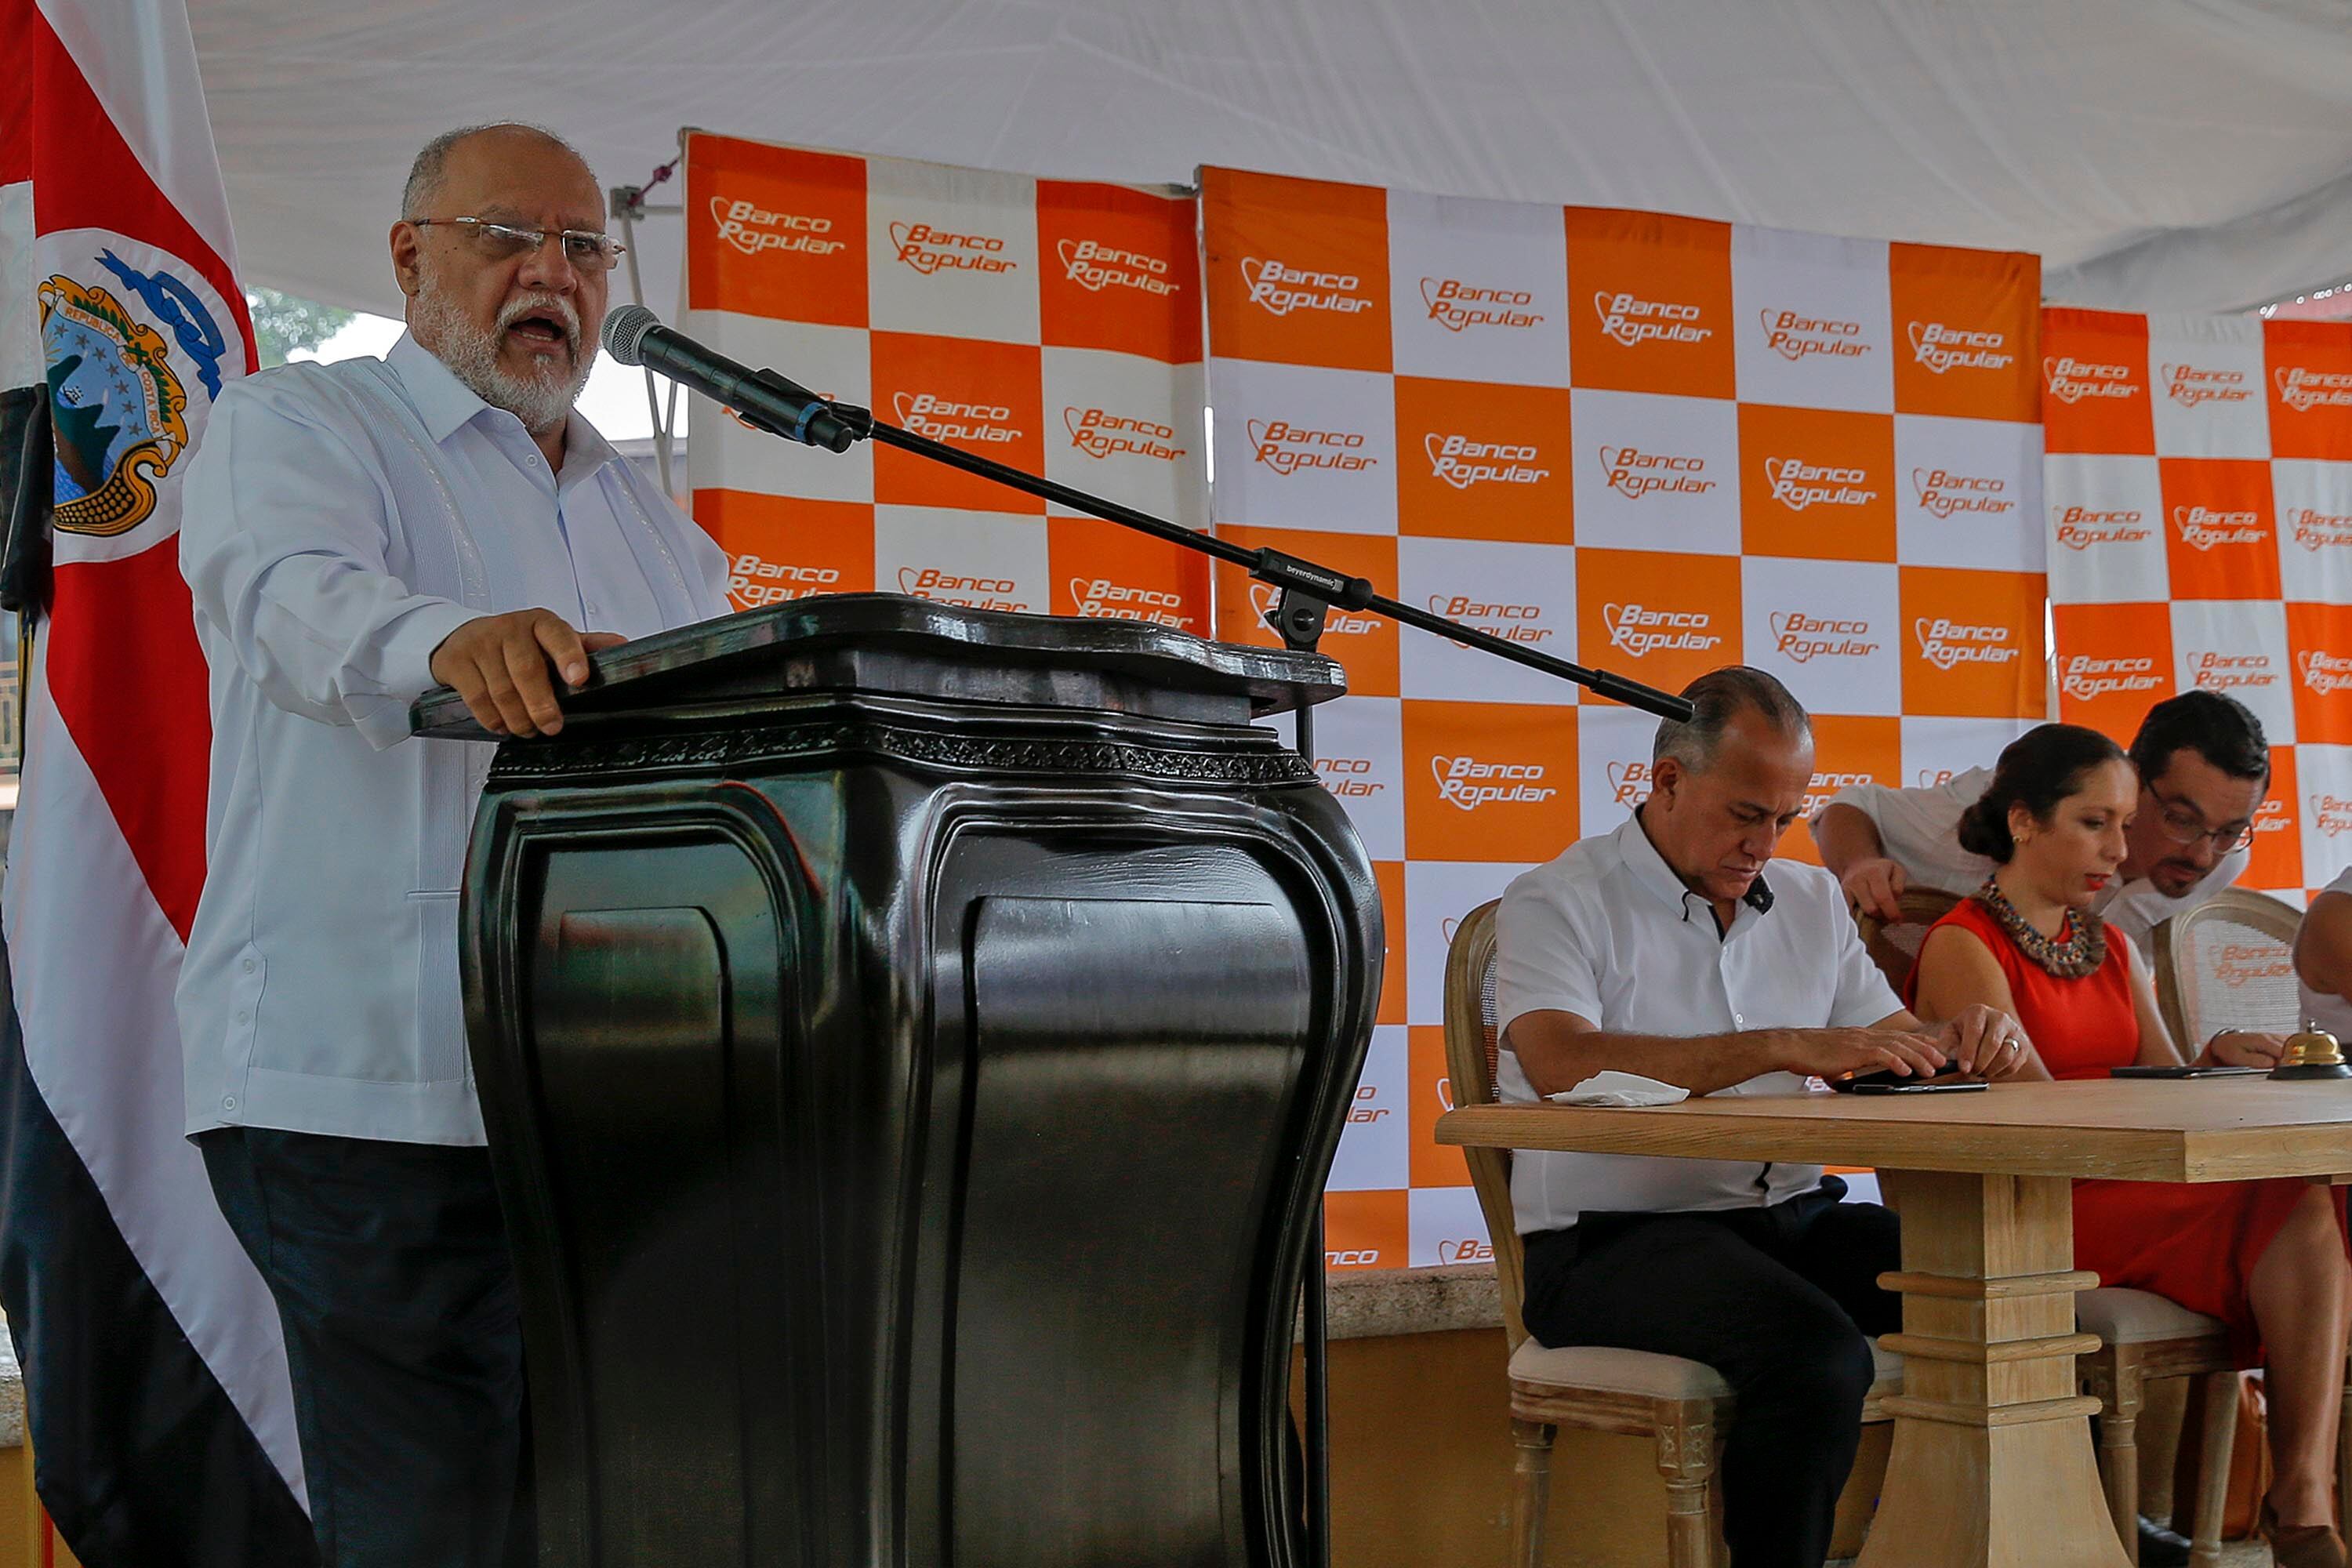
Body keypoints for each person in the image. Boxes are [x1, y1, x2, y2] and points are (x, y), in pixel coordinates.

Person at [177, 123, 731, 1566]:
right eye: (508, 237)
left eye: (583, 248)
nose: (552, 273)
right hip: (370, 1095)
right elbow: (287, 600)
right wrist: (447, 643)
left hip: (611, 1107)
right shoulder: (301, 423)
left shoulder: (658, 530)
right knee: (438, 1533)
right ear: (410, 259)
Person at [1494, 666, 2027, 1568]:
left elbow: (1894, 1040)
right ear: (1668, 780)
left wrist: (1967, 1038)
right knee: (1816, 1354)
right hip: (1608, 1240)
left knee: (1999, 1292)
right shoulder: (1559, 895)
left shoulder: (1811, 900)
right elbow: (1560, 1062)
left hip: (1790, 1217)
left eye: (1785, 818)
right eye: (1745, 814)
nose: (1765, 843)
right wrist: (1780, 1044)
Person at [1905, 724, 2351, 1568]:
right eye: (2094, 823)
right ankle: (2301, 1503)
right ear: (2024, 820)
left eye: (2124, 825)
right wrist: (2168, 1089)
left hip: (2125, 1178)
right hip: (2037, 1204)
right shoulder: (1964, 942)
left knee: (2317, 1191)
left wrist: (2211, 1060)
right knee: (2295, 1198)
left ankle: (2303, 1496)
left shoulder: (2105, 941)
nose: (2118, 849)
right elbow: (2035, 1122)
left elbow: (2161, 1081)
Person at [1814, 689, 2272, 969]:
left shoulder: (2220, 863)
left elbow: (2139, 1044)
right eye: (2182, 820)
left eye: (2230, 832)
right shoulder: (1995, 811)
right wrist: (1861, 864)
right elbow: (1853, 806)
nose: (2203, 857)